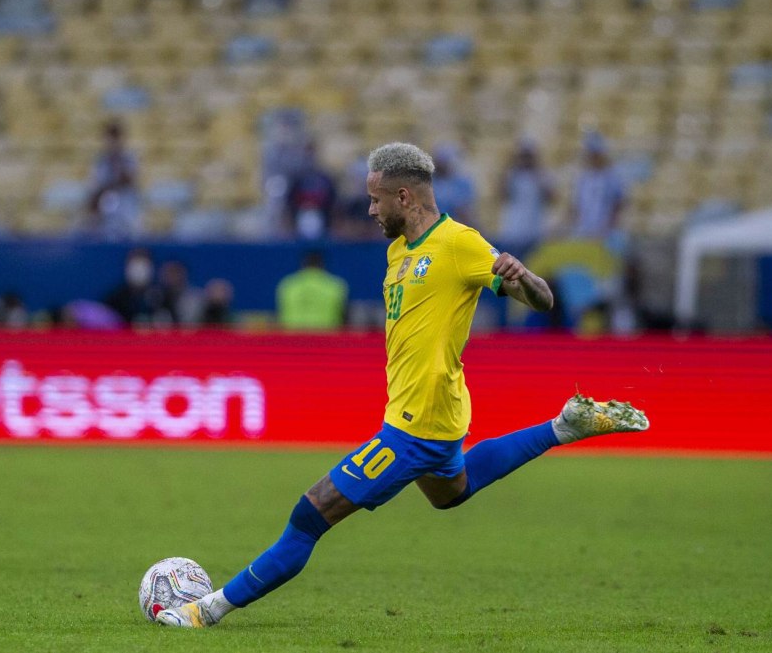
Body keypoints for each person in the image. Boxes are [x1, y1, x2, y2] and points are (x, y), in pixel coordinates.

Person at [156, 142, 649, 629]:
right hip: (437, 409)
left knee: (310, 516)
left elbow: (542, 300)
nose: (371, 210)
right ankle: (563, 427)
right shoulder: (398, 250)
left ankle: (204, 610)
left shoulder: (458, 243)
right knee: (450, 492)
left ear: (404, 197)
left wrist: (525, 276)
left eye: (376, 200)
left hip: (417, 422)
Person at [497, 138, 555, 255]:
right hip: (513, 228)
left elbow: (551, 198)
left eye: (528, 156)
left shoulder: (542, 175)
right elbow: (501, 196)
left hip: (534, 228)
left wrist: (539, 177)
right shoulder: (512, 175)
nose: (525, 159)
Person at [88, 119, 142, 240]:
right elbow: (96, 182)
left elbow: (131, 178)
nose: (112, 142)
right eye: (109, 138)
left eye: (115, 137)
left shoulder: (129, 157)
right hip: (106, 199)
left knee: (129, 231)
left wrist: (117, 163)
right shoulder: (101, 159)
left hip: (126, 200)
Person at [568, 131, 627, 240]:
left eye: (595, 155)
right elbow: (576, 206)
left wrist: (609, 226)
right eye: (590, 155)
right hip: (583, 231)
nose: (592, 158)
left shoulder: (611, 177)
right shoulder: (583, 178)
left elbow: (618, 203)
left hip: (604, 232)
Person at [276, 250, 348, 330]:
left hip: (293, 334)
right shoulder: (335, 285)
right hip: (326, 334)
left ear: (303, 265)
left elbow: (280, 313)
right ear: (322, 265)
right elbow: (344, 316)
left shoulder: (288, 284)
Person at [285, 142, 338, 240]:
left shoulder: (324, 178)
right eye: (306, 155)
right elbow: (289, 201)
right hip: (300, 218)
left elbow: (333, 200)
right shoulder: (296, 177)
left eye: (311, 154)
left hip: (323, 219)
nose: (309, 158)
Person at [104, 248, 163, 325]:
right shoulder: (114, 299)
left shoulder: (162, 297)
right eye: (135, 264)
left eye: (143, 264)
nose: (139, 269)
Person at [431, 142, 477, 228]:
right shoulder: (429, 181)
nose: (441, 164)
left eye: (445, 161)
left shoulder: (462, 182)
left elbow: (465, 211)